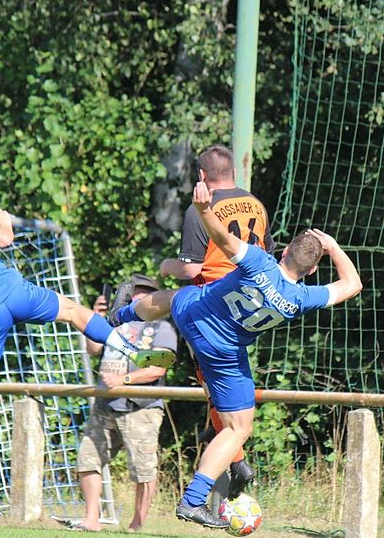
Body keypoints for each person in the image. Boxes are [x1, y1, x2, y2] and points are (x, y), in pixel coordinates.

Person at [0, 195, 167, 528]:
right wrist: (2, 221)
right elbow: (3, 240)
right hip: (13, 293)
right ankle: (131, 350)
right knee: (73, 311)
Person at [110, 181, 362, 528]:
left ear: (284, 252)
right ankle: (194, 500)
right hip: (222, 352)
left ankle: (122, 314)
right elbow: (352, 285)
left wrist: (203, 210)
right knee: (238, 428)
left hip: (195, 316)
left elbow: (223, 238)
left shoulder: (260, 261)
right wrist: (332, 247)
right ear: (313, 270)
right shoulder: (303, 298)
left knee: (177, 296)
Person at [156, 144, 274, 498]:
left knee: (213, 382)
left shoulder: (202, 208)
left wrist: (167, 266)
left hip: (213, 306)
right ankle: (226, 442)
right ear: (234, 171)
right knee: (220, 383)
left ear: (202, 176)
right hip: (249, 302)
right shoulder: (256, 204)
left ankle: (235, 460)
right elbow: (265, 254)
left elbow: (191, 267)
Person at [74, 274, 176, 532]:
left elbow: (158, 368)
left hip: (141, 407)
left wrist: (123, 380)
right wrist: (95, 318)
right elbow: (93, 349)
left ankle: (136, 525)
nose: (136, 296)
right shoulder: (113, 324)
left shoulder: (161, 327)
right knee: (87, 459)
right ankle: (92, 519)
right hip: (105, 404)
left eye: (143, 292)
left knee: (143, 470)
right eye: (133, 292)